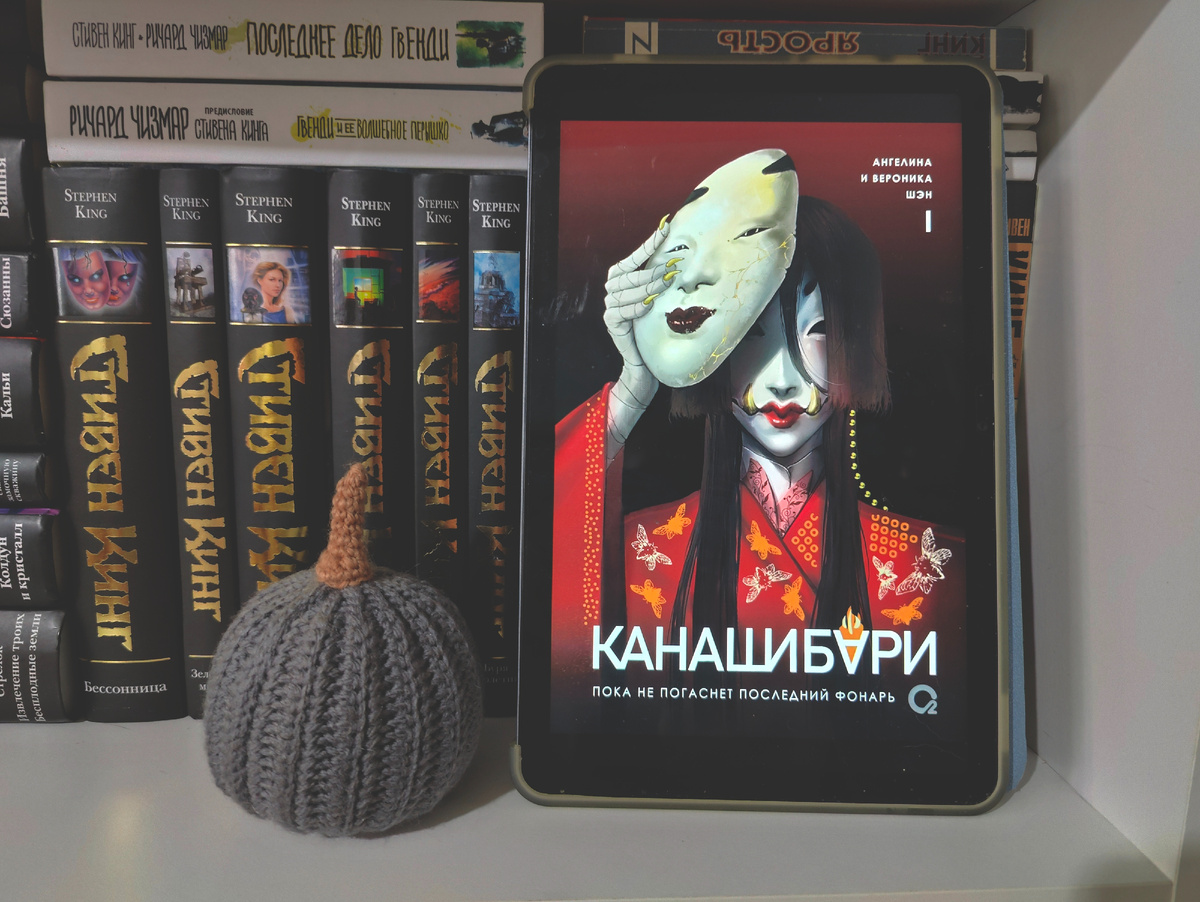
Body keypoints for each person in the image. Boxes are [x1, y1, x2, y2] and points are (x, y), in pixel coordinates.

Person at [552, 192, 965, 711]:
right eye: (750, 332)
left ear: (857, 341)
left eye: (818, 330)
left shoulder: (930, 570)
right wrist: (632, 393)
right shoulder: (640, 553)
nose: (783, 380)